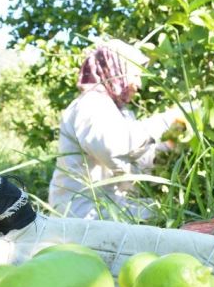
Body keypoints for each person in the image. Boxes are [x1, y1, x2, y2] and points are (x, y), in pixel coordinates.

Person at [48, 39, 192, 220]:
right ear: (115, 69)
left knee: (166, 210)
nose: (138, 85)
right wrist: (168, 119)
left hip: (106, 205)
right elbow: (116, 151)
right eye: (135, 75)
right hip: (81, 212)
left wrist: (171, 144)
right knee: (164, 215)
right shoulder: (91, 104)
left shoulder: (117, 111)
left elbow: (137, 162)